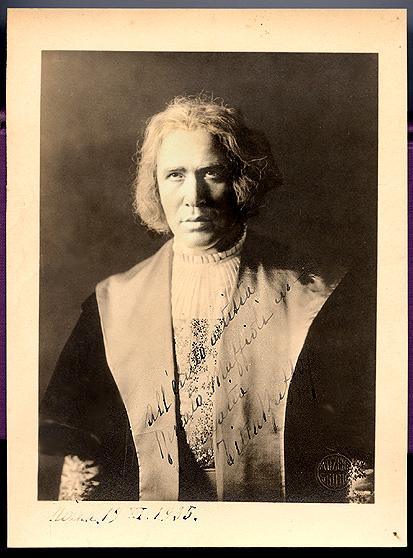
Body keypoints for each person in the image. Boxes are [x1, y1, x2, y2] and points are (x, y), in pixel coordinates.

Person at [39, 94, 375, 503]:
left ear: (241, 181)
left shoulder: (316, 294)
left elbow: (358, 462)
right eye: (175, 175)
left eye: (211, 172)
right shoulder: (112, 304)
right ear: (155, 185)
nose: (194, 196)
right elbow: (82, 464)